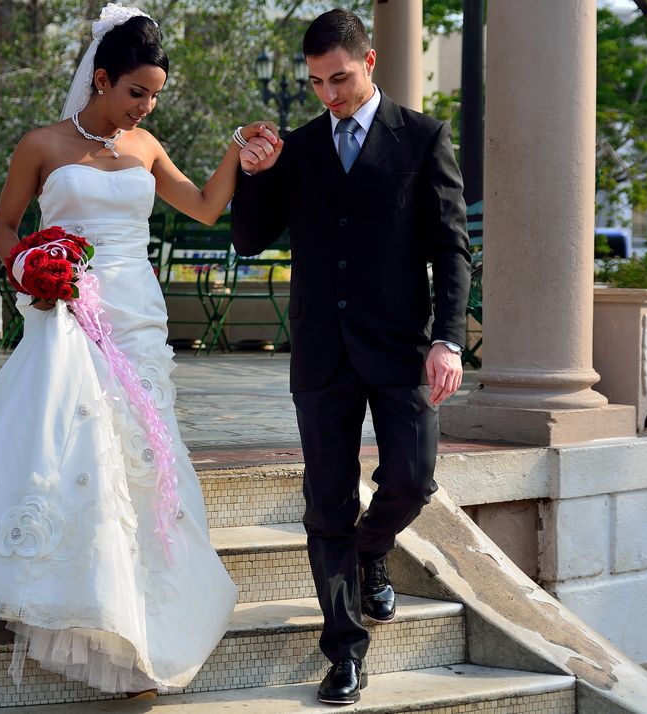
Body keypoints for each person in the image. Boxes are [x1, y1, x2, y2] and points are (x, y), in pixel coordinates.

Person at [0, 4, 278, 696]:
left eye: (155, 94)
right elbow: (7, 227)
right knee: (81, 446)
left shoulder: (146, 146)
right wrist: (28, 274)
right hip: (69, 307)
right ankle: (70, 593)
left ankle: (143, 606)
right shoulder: (41, 144)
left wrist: (234, 151)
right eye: (136, 91)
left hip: (136, 311)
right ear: (100, 78)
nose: (146, 105)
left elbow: (203, 206)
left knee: (140, 449)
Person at [231, 9, 471, 706]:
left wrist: (448, 339)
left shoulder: (423, 138)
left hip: (400, 347)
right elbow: (249, 239)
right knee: (325, 504)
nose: (328, 93)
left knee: (414, 478)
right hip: (320, 352)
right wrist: (254, 174)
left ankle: (373, 548)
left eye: (339, 78)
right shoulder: (300, 148)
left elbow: (451, 248)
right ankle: (344, 653)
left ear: (370, 63)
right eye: (315, 83)